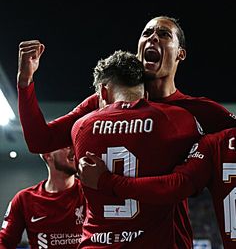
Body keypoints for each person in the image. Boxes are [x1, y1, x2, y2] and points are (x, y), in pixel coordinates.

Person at [17, 17, 236, 248]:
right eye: (147, 33)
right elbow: (41, 140)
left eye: (163, 34)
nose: (152, 37)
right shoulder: (105, 104)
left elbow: (38, 140)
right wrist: (25, 82)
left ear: (180, 53)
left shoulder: (198, 111)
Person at [71, 49, 203, 248]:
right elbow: (185, 183)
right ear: (147, 91)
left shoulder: (80, 127)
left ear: (103, 92)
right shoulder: (176, 119)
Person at [78, 128, 236, 249]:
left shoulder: (219, 141)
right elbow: (177, 185)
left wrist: (107, 181)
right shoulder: (217, 138)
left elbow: (176, 186)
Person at [0, 146, 86, 249]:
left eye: (73, 145)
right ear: (48, 155)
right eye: (66, 147)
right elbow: (4, 241)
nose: (74, 151)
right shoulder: (24, 199)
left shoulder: (90, 193)